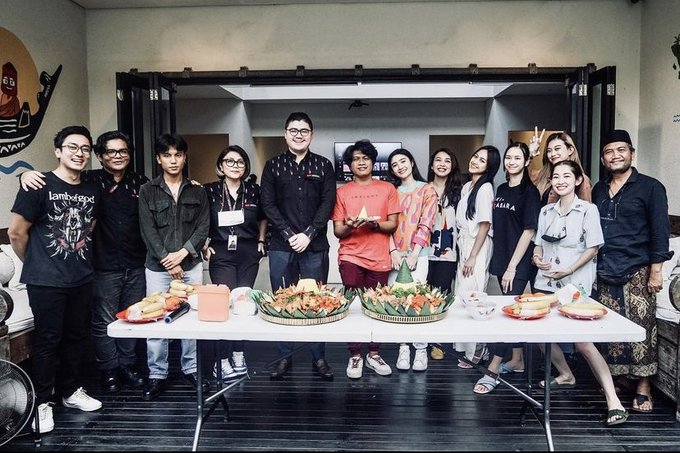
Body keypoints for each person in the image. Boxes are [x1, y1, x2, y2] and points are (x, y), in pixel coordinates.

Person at [20, 130, 148, 394]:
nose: (117, 156)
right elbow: (54, 183)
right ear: (100, 156)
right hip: (102, 264)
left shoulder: (141, 183)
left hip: (135, 261)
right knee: (103, 321)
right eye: (110, 151)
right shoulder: (89, 181)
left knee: (133, 317)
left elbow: (165, 192)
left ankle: (127, 365)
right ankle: (108, 370)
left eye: (123, 151)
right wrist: (24, 174)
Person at [8, 125, 103, 433]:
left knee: (77, 338)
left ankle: (71, 392)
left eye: (85, 149)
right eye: (73, 147)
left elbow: (89, 227)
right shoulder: (37, 185)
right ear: (58, 151)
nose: (80, 153)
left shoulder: (91, 189)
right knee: (48, 341)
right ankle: (41, 403)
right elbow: (16, 233)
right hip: (45, 280)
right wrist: (36, 263)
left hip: (81, 277)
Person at [530, 160, 628, 426]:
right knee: (540, 334)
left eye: (566, 176)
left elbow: (593, 247)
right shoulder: (546, 211)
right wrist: (537, 258)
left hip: (574, 284)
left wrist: (569, 270)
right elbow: (538, 244)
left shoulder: (588, 210)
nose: (560, 181)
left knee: (583, 342)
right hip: (546, 281)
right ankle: (565, 374)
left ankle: (613, 401)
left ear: (577, 181)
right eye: (556, 176)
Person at [593, 129, 674, 414]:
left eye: (621, 150)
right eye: (609, 152)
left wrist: (656, 271)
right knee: (611, 329)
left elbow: (660, 231)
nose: (615, 156)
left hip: (638, 269)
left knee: (642, 330)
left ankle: (643, 386)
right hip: (606, 268)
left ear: (631, 153)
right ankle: (621, 379)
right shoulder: (599, 189)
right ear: (603, 159)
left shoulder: (651, 187)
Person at [260, 112, 336, 380]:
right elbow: (267, 204)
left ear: (311, 135)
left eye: (304, 131)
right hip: (281, 245)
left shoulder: (324, 165)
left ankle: (319, 358)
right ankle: (284, 357)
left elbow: (328, 202)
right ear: (285, 134)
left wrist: (309, 234)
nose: (298, 135)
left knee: (317, 301)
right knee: (283, 301)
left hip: (315, 246)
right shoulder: (273, 166)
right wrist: (290, 234)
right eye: (293, 130)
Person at [138, 133, 210, 400]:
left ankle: (191, 369)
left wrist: (181, 254)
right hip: (158, 268)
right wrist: (168, 261)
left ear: (185, 157)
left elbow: (203, 226)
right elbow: (147, 230)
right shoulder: (147, 191)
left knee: (192, 317)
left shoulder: (198, 190)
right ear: (158, 159)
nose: (173, 160)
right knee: (155, 319)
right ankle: (157, 374)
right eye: (167, 155)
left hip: (190, 265)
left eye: (178, 155)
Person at [473, 142, 541, 393]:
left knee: (507, 314)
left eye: (517, 158)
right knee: (510, 309)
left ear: (526, 162)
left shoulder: (530, 193)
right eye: (508, 157)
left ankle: (492, 370)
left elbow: (529, 231)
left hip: (519, 261)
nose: (511, 162)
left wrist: (513, 266)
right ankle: (517, 361)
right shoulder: (501, 189)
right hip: (502, 257)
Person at [332, 140, 400, 379]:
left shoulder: (388, 188)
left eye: (365, 158)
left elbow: (393, 224)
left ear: (372, 162)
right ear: (349, 165)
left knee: (376, 306)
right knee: (352, 306)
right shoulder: (341, 192)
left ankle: (373, 353)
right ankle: (354, 355)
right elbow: (338, 231)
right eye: (355, 159)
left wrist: (373, 224)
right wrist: (351, 226)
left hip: (379, 257)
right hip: (350, 255)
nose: (361, 162)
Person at [203, 145, 267, 380]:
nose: (235, 165)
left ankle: (239, 354)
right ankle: (221, 359)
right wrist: (203, 244)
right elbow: (199, 220)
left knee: (243, 305)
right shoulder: (208, 190)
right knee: (224, 306)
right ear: (220, 166)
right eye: (229, 161)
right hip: (221, 251)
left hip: (248, 252)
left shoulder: (254, 191)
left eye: (240, 162)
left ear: (245, 166)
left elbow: (262, 217)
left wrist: (261, 240)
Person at [387, 148, 438, 372]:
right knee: (398, 302)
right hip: (395, 256)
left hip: (418, 254)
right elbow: (386, 225)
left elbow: (427, 222)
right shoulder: (390, 192)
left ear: (411, 162)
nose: (400, 166)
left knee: (417, 301)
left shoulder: (427, 189)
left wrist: (415, 253)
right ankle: (403, 348)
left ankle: (420, 349)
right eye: (394, 164)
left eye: (403, 161)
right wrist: (393, 251)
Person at [454, 145, 500, 369]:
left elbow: (484, 225)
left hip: (477, 245)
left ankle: (478, 350)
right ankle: (472, 348)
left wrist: (472, 256)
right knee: (462, 295)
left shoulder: (485, 188)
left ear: (489, 167)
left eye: (482, 160)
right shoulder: (467, 186)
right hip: (464, 243)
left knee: (472, 294)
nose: (475, 161)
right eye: (475, 157)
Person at [426, 148, 463, 361]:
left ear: (452, 166)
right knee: (422, 293)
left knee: (440, 295)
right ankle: (420, 338)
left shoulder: (459, 191)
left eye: (447, 161)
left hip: (447, 252)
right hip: (423, 250)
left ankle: (437, 341)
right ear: (432, 166)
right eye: (438, 160)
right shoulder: (424, 189)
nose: (442, 164)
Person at [532, 130, 592, 205]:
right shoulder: (542, 175)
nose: (552, 154)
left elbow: (586, 208)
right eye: (549, 151)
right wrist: (531, 153)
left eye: (557, 149)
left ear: (570, 150)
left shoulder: (581, 179)